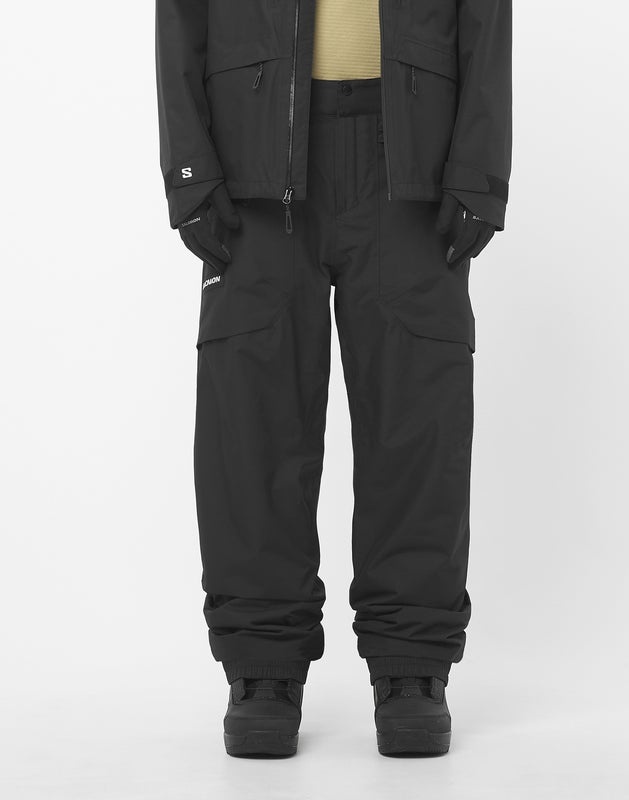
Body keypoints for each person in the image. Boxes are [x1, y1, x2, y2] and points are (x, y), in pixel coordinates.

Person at [155, 0, 512, 757]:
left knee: (419, 413)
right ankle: (261, 665)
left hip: (413, 149)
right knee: (251, 417)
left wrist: (480, 168)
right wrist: (188, 166)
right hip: (251, 154)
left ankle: (412, 664)